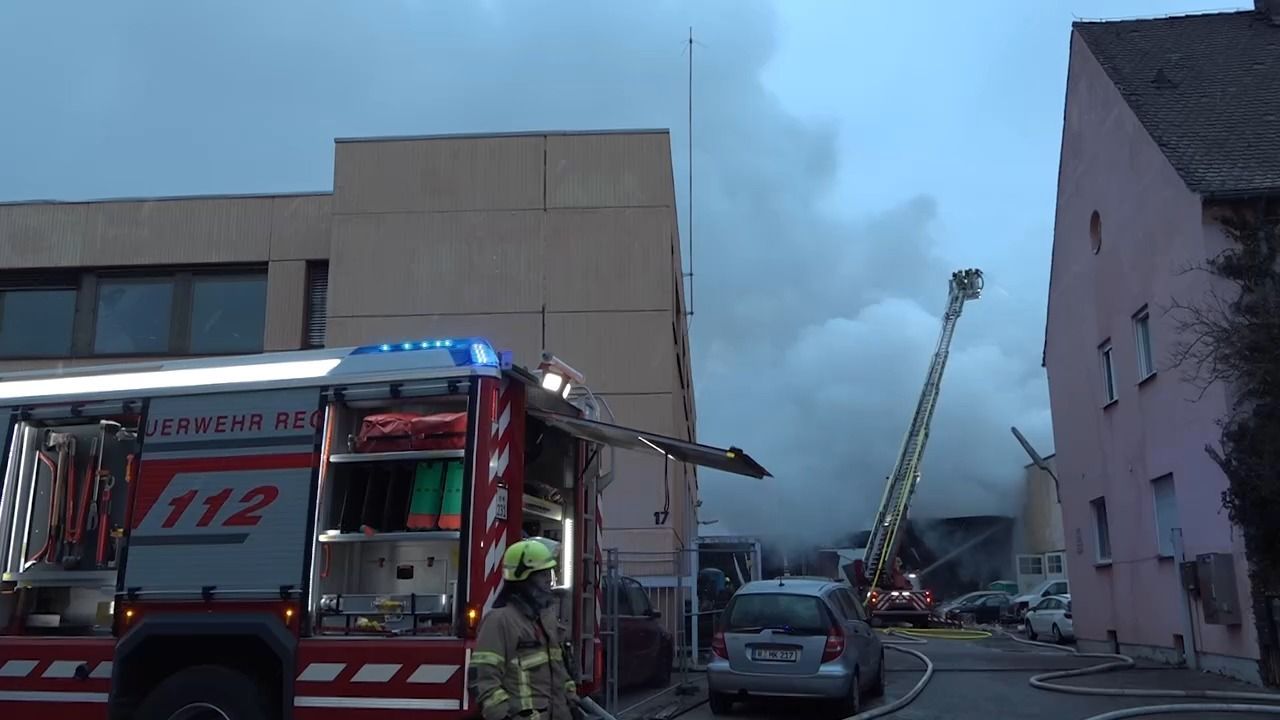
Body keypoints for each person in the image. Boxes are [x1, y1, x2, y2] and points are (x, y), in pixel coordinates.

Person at [469, 537, 584, 720]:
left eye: (550, 574)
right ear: (523, 580)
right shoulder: (500, 621)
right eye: (542, 575)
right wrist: (502, 716)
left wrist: (572, 702)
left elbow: (560, 671)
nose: (549, 581)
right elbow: (483, 680)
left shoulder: (546, 621)